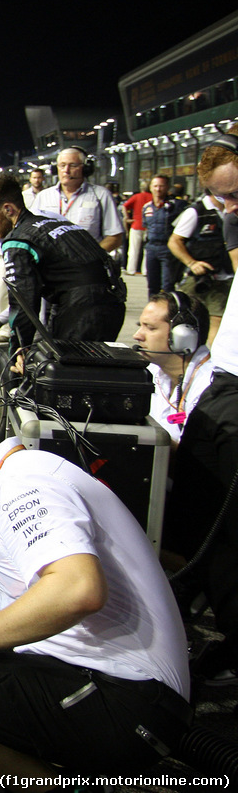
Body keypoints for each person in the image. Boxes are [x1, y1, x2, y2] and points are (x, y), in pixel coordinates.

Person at [0, 398, 191, 788]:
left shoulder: (21, 487)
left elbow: (78, 589)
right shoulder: (9, 480)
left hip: (130, 704)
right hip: (122, 688)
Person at [165, 126, 238, 684]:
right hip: (227, 380)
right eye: (222, 195)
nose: (227, 206)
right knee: (196, 507)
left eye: (234, 195)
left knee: (226, 528)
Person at [0, 173, 124, 349]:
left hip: (82, 312)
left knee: (64, 372)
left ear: (8, 209)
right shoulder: (56, 224)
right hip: (113, 304)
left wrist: (19, 349)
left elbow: (24, 302)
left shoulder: (18, 241)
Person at [132, 292, 213, 446]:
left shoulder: (210, 386)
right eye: (140, 326)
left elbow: (195, 455)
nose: (137, 336)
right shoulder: (152, 371)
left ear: (183, 336)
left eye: (150, 328)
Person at [169, 189, 232, 345]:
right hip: (198, 278)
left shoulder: (232, 211)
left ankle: (210, 360)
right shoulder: (196, 211)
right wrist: (192, 263)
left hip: (225, 278)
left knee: (216, 319)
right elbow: (174, 241)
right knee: (184, 318)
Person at [33, 147, 125, 253]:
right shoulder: (43, 196)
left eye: (73, 165)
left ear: (85, 168)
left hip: (87, 265)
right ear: (56, 169)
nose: (66, 171)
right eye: (62, 165)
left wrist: (90, 258)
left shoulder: (101, 195)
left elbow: (115, 237)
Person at [141, 175, 183, 296]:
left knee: (168, 285)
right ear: (150, 188)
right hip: (151, 248)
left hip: (168, 249)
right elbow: (146, 226)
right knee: (152, 285)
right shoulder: (147, 207)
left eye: (161, 186)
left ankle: (169, 312)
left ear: (168, 187)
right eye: (155, 186)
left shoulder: (176, 206)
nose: (158, 189)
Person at [122, 179, 153, 275]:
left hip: (136, 225)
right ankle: (146, 270)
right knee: (147, 250)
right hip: (149, 226)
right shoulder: (152, 197)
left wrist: (126, 217)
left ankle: (131, 269)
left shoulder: (136, 197)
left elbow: (124, 206)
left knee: (133, 249)